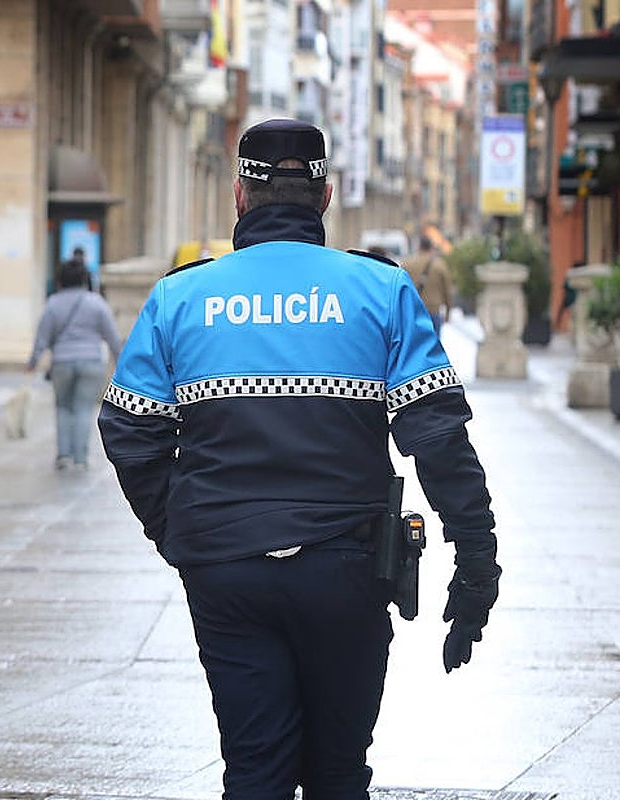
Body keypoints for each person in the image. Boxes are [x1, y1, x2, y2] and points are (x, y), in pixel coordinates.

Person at [97, 118, 501, 799]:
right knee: (338, 772)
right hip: (347, 568)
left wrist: (187, 531)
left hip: (227, 573)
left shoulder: (180, 296)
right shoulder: (382, 290)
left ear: (239, 197)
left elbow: (129, 432)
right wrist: (477, 559)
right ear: (325, 197)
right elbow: (438, 438)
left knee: (255, 769)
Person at [27, 258, 122, 471]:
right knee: (83, 409)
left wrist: (33, 361)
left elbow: (42, 337)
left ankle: (63, 455)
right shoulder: (96, 302)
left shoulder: (53, 303)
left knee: (62, 408)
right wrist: (121, 362)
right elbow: (113, 337)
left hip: (61, 362)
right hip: (91, 362)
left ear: (60, 280)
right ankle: (80, 458)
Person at [402, 232, 454, 336]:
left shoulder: (407, 264)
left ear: (419, 247)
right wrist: (448, 312)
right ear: (431, 248)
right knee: (434, 347)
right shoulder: (440, 265)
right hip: (433, 311)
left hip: (413, 312)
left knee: (414, 346)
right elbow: (447, 291)